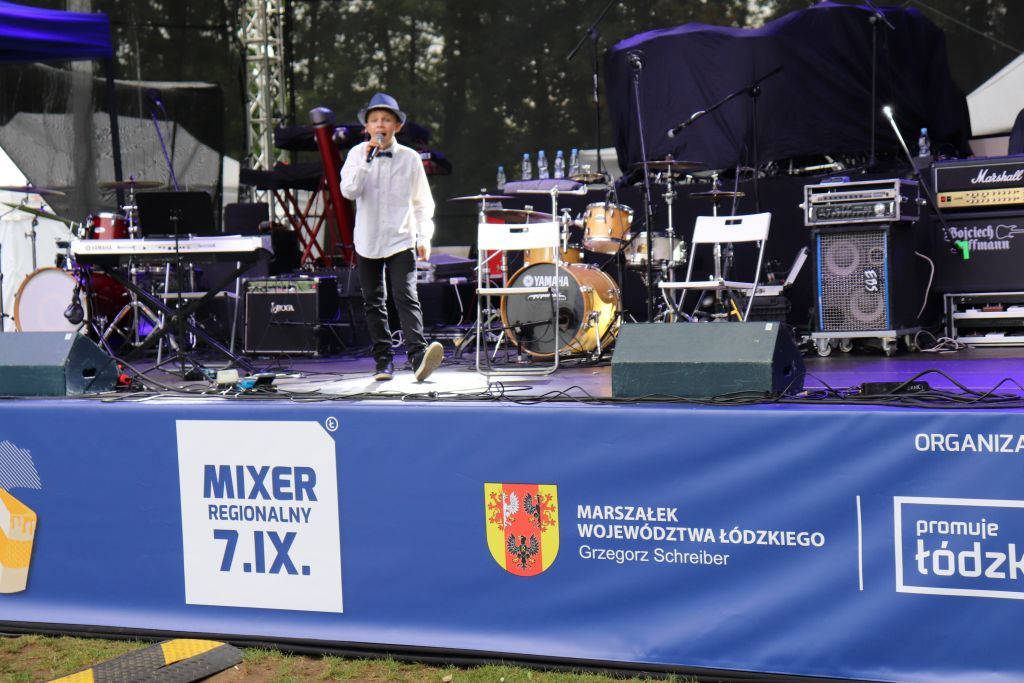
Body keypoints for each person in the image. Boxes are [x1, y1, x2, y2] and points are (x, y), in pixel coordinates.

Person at [340, 92, 443, 382]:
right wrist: (367, 161)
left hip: (401, 238)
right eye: (374, 120)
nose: (380, 124)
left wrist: (424, 237)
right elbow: (349, 191)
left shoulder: (410, 158)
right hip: (368, 239)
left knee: (406, 295)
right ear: (367, 127)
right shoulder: (356, 155)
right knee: (373, 301)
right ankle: (383, 361)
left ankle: (418, 356)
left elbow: (422, 202)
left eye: (386, 120)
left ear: (397, 126)